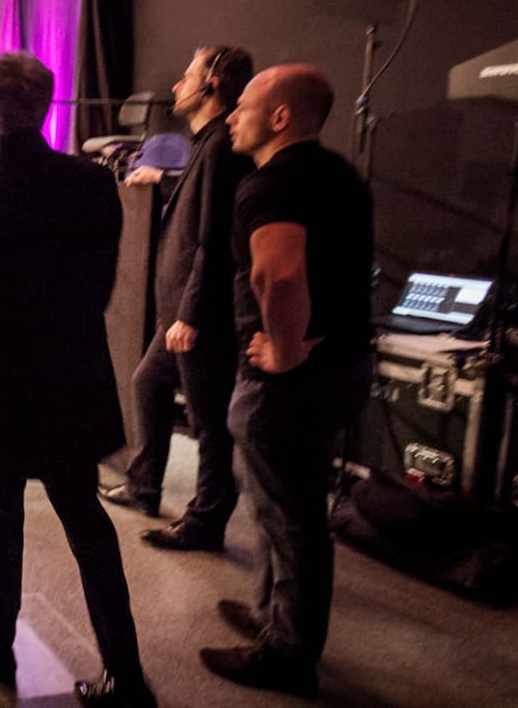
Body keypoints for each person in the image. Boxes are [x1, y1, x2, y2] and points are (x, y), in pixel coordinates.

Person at [0, 52, 154, 707]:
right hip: (72, 376)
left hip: (1, 383)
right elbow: (100, 287)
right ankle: (125, 674)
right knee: (87, 521)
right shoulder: (91, 185)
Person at [198, 65, 373, 695]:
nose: (230, 115)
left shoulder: (269, 186)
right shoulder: (342, 177)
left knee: (292, 517)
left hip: (290, 381)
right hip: (345, 367)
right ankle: (272, 614)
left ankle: (288, 653)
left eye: (243, 106)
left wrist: (288, 351)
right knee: (285, 502)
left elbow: (280, 275)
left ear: (279, 118)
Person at [101, 46, 254, 553]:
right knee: (147, 383)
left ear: (211, 84)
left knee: (210, 422)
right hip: (180, 314)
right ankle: (145, 487)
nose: (175, 86)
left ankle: (206, 522)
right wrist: (164, 180)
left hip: (197, 316)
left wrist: (188, 314)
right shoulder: (208, 146)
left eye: (186, 76)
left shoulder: (220, 148)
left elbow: (215, 240)